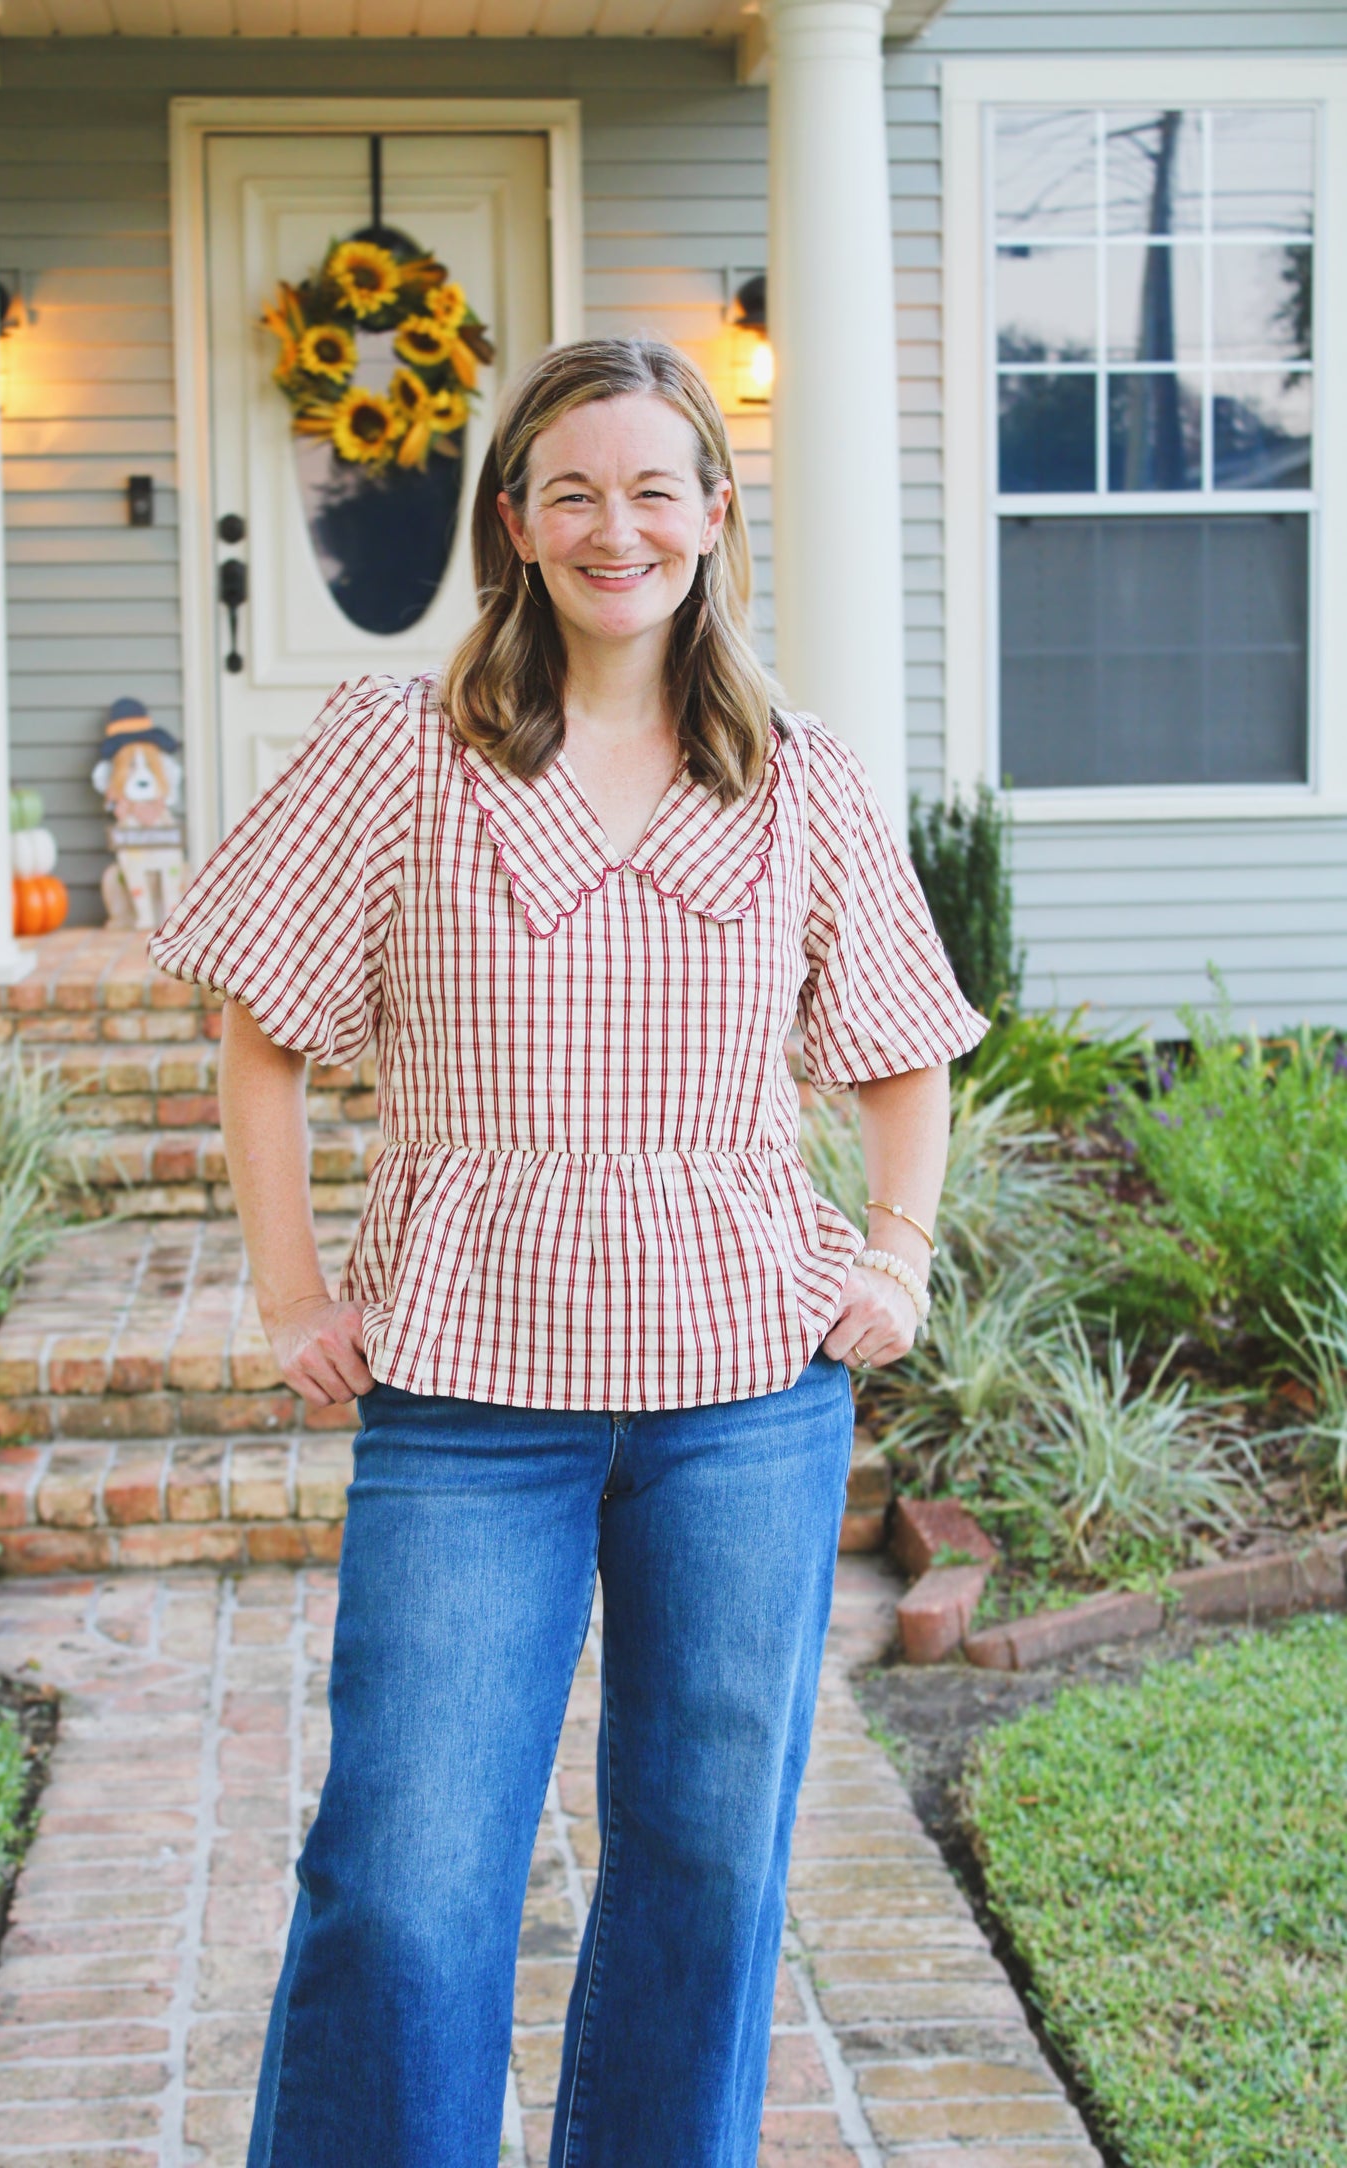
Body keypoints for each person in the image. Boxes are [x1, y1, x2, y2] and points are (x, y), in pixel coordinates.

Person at [149, 335, 987, 2168]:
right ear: (513, 521)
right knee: (405, 1871)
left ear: (713, 513)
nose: (619, 526)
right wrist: (293, 1294)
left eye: (655, 487)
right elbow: (261, 1036)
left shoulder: (803, 777)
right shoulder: (395, 753)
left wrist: (899, 1258)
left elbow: (904, 1052)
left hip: (745, 1402)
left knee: (702, 1859)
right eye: (575, 490)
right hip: (470, 1396)